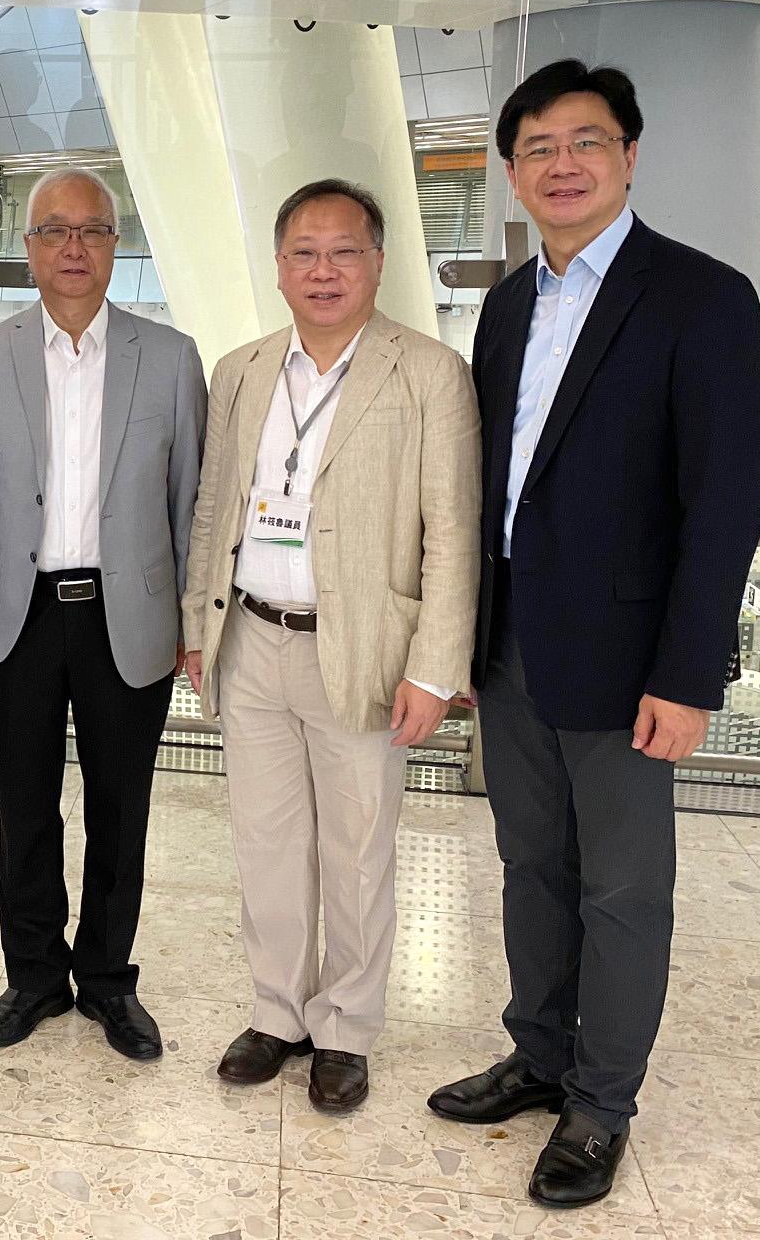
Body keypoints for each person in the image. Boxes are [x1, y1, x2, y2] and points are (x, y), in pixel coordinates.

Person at [426, 60, 760, 1208]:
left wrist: (688, 674)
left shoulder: (699, 299)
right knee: (531, 865)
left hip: (631, 666)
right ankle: (539, 1052)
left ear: (630, 154)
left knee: (624, 889)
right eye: (537, 148)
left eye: (584, 142)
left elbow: (721, 507)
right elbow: (490, 485)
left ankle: (601, 1101)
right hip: (515, 641)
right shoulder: (509, 304)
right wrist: (468, 638)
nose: (560, 165)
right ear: (513, 172)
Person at [181, 179, 479, 1112]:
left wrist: (435, 667)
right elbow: (213, 506)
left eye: (344, 251)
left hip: (364, 650)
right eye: (304, 252)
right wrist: (199, 623)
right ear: (278, 267)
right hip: (252, 640)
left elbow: (452, 531)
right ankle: (278, 1013)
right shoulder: (242, 369)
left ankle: (346, 1026)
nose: (323, 270)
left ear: (377, 262)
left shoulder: (428, 372)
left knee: (356, 849)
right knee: (266, 844)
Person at [0, 167, 206, 1060]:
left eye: (92, 231)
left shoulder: (169, 357)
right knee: (24, 807)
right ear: (28, 249)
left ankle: (105, 980)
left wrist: (189, 620)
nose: (73, 248)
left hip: (124, 616)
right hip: (17, 614)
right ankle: (31, 978)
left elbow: (189, 505)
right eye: (54, 232)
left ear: (114, 244)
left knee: (119, 807)